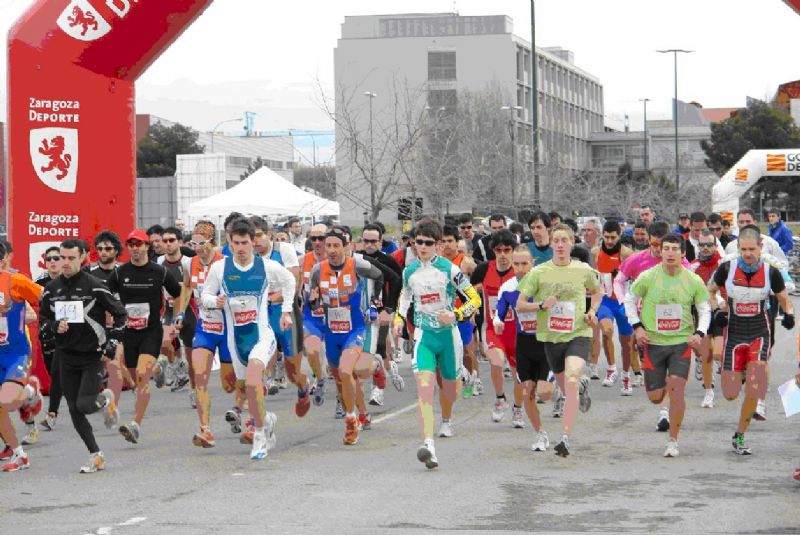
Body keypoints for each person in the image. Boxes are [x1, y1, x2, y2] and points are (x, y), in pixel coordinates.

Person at [201, 218, 296, 459]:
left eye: (245, 242)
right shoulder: (220, 268)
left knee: (254, 381)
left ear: (253, 242)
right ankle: (267, 419)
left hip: (262, 336)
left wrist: (286, 311)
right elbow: (205, 295)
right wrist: (215, 302)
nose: (241, 248)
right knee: (246, 389)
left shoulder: (265, 266)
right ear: (229, 244)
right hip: (236, 341)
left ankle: (260, 436)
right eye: (236, 243)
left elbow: (290, 280)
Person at [394, 220, 481, 468]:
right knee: (424, 385)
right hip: (424, 335)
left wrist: (456, 314)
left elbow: (475, 300)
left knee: (449, 388)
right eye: (418, 242)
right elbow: (405, 297)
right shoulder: (409, 271)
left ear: (438, 245)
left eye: (428, 243)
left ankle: (448, 417)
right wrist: (399, 319)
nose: (422, 247)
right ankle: (428, 444)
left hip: (448, 335)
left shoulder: (449, 270)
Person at [38, 239, 127, 472]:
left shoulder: (95, 285)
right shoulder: (51, 289)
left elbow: (121, 315)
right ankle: (96, 454)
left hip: (91, 356)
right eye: (61, 258)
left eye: (70, 258)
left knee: (86, 405)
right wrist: (54, 326)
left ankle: (105, 400)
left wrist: (112, 344)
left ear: (83, 258)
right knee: (75, 410)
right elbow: (43, 321)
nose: (64, 263)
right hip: (66, 356)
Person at [517, 223, 603, 457]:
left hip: (578, 333)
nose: (561, 244)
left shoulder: (582, 269)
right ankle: (581, 386)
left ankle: (565, 439)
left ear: (571, 243)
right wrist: (542, 305)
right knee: (564, 390)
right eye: (557, 240)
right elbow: (520, 304)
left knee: (572, 381)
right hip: (551, 337)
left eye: (565, 240)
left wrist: (592, 312)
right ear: (551, 244)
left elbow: (597, 291)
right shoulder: (539, 272)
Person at [708, 225, 795, 455]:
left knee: (755, 386)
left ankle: (740, 435)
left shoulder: (771, 272)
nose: (748, 253)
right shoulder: (727, 268)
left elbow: (785, 299)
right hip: (734, 333)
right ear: (738, 248)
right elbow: (710, 291)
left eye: (752, 249)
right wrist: (718, 309)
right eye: (744, 249)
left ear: (760, 247)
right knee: (730, 393)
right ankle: (741, 374)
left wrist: (789, 314)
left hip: (759, 330)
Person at [624, 233, 710, 458]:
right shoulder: (648, 276)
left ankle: (673, 440)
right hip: (653, 342)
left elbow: (704, 309)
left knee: (677, 389)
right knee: (655, 396)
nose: (670, 253)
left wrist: (699, 333)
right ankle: (661, 396)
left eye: (675, 249)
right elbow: (629, 300)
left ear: (683, 253)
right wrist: (637, 326)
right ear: (660, 252)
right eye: (667, 248)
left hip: (680, 343)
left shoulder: (693, 279)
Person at [307, 227, 385, 445]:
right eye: (328, 246)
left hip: (355, 328)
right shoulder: (317, 270)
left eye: (336, 246)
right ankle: (362, 413)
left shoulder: (356, 265)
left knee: (345, 370)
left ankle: (351, 422)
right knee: (343, 382)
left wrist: (374, 303)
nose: (331, 250)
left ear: (346, 247)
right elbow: (311, 300)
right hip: (332, 332)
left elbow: (380, 276)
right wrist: (313, 300)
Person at [105, 229, 183, 444]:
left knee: (141, 376)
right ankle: (159, 367)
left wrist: (175, 318)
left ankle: (136, 424)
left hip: (151, 331)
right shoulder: (120, 273)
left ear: (147, 246)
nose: (135, 248)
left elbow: (179, 294)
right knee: (134, 380)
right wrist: (110, 318)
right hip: (129, 332)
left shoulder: (159, 271)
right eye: (131, 244)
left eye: (138, 244)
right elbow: (105, 295)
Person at [174, 221, 237, 448]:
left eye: (202, 243)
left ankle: (239, 408)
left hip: (228, 329)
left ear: (213, 242)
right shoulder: (189, 263)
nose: (197, 247)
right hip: (205, 328)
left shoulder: (225, 263)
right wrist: (180, 313)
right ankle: (206, 429)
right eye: (193, 242)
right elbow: (186, 288)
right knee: (200, 377)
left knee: (229, 384)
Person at [496, 246, 553, 450]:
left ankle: (564, 389)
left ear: (533, 264)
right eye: (516, 264)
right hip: (525, 343)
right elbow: (499, 311)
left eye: (524, 264)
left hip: (546, 342)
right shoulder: (509, 287)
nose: (520, 268)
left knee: (545, 393)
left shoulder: (545, 283)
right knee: (527, 390)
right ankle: (540, 434)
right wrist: (497, 322)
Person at [0, 242, 45, 472]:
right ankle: (19, 455)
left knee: (6, 400)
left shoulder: (13, 281)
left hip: (15, 353)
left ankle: (30, 393)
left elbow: (44, 296)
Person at [471, 230, 522, 425]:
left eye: (506, 250)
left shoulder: (520, 271)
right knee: (496, 361)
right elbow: (470, 292)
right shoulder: (484, 269)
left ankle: (518, 409)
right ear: (493, 251)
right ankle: (500, 399)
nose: (502, 254)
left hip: (517, 330)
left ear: (513, 251)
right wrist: (472, 309)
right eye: (498, 250)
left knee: (519, 373)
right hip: (493, 328)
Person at [361, 223, 404, 406]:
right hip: (361, 312)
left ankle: (377, 390)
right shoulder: (356, 259)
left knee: (378, 348)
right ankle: (391, 366)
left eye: (373, 241)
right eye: (366, 241)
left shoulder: (387, 261)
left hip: (381, 310)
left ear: (380, 242)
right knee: (366, 352)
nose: (369, 245)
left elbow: (398, 281)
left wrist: (389, 308)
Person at [590, 220, 635, 394]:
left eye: (613, 237)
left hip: (622, 301)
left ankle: (626, 376)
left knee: (627, 342)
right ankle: (611, 369)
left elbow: (635, 277)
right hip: (606, 300)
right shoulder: (596, 251)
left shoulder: (626, 253)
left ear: (619, 235)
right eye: (607, 237)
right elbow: (595, 276)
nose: (609, 241)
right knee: (606, 331)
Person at [156, 227, 194, 395]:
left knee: (191, 351)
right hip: (170, 309)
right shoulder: (158, 262)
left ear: (179, 242)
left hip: (188, 310)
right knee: (164, 342)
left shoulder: (189, 261)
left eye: (172, 240)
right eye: (165, 241)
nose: (168, 244)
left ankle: (195, 389)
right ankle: (178, 366)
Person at [689, 230, 724, 409]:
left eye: (709, 244)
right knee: (706, 354)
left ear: (716, 246)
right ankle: (709, 392)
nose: (705, 248)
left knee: (718, 352)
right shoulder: (692, 267)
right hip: (702, 313)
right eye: (702, 245)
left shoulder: (724, 264)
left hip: (722, 311)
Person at [35, 246, 63, 435]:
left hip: (72, 336)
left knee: (68, 375)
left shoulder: (71, 280)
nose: (53, 262)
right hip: (49, 335)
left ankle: (52, 414)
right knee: (56, 376)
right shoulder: (40, 282)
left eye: (56, 258)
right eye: (49, 259)